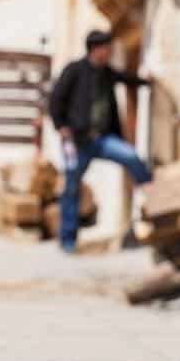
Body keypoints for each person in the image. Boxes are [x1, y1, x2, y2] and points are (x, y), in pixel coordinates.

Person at [49, 30, 153, 254]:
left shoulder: (106, 73)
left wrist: (146, 81)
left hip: (104, 139)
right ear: (96, 49)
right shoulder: (74, 71)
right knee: (71, 187)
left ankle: (152, 195)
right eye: (107, 48)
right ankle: (68, 239)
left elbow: (127, 79)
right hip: (77, 142)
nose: (110, 53)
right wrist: (61, 127)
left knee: (132, 157)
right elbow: (56, 98)